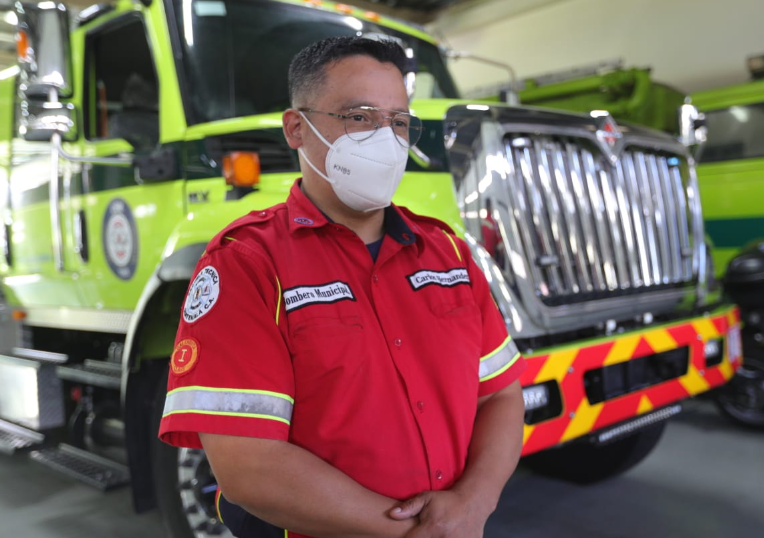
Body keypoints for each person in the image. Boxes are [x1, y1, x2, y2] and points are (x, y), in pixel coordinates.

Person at [158, 36, 525, 538]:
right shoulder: (248, 264)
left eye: (398, 122)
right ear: (296, 128)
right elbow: (247, 465)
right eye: (359, 117)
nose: (386, 139)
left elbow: (500, 397)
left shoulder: (449, 253)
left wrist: (473, 504)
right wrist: (422, 533)